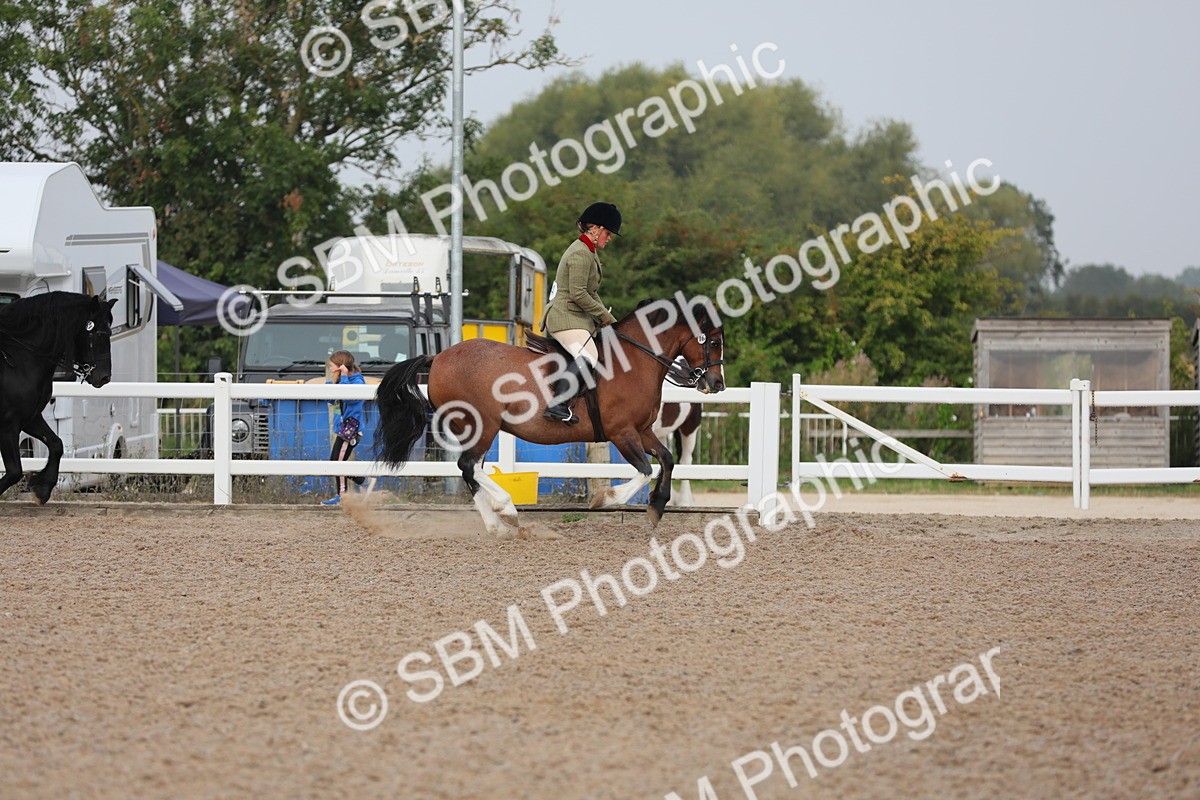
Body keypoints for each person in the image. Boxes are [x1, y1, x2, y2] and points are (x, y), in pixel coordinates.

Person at [540, 201, 622, 424]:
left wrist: (610, 320)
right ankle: (557, 405)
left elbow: (591, 293)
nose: (610, 237)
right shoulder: (580, 253)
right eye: (608, 232)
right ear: (594, 229)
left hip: (575, 317)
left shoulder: (588, 251)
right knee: (589, 356)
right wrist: (604, 316)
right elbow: (578, 294)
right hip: (564, 317)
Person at [322, 349, 367, 505]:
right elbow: (331, 401)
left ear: (341, 367)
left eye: (332, 366)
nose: (330, 368)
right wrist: (333, 383)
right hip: (344, 428)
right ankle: (362, 480)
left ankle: (343, 496)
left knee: (337, 462)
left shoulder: (356, 381)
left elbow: (351, 398)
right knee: (336, 461)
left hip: (352, 428)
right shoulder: (341, 380)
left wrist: (345, 378)